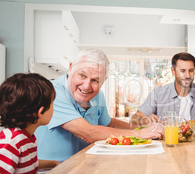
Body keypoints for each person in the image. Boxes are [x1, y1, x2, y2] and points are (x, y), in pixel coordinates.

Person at [35, 48, 163, 162]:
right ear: (70, 68)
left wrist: (144, 129)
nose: (86, 86)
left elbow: (107, 123)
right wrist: (141, 134)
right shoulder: (53, 93)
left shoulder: (97, 95)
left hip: (84, 165)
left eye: (95, 80)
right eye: (82, 75)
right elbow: (88, 133)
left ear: (104, 81)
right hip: (51, 172)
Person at [0, 73, 59, 174]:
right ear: (40, 112)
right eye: (52, 103)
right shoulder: (11, 140)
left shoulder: (26, 137)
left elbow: (24, 162)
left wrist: (53, 163)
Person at [131, 52, 195, 126]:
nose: (187, 75)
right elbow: (134, 119)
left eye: (191, 71)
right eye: (182, 71)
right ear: (173, 71)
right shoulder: (158, 93)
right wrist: (145, 120)